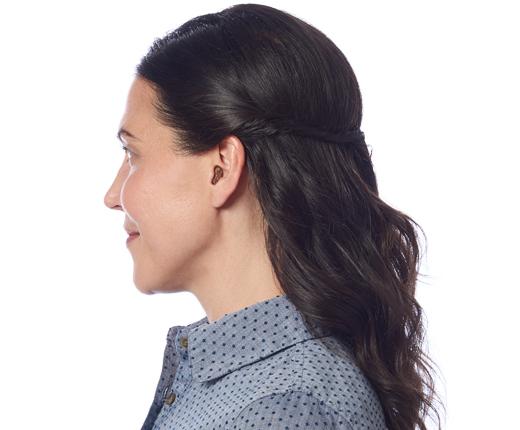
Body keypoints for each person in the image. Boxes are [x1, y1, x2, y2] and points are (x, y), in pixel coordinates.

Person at [104, 4, 444, 429]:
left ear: (221, 169)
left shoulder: (284, 409)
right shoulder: (251, 391)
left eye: (133, 154)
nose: (112, 196)